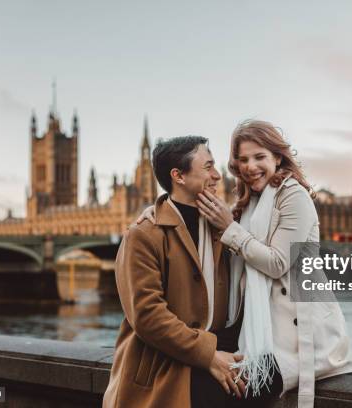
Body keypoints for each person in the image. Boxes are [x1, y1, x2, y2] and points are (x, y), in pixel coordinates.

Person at [195, 120, 352, 408]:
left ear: (277, 157)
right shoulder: (248, 203)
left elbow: (278, 263)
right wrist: (154, 214)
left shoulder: (293, 196)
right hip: (254, 330)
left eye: (259, 157)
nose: (250, 166)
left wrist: (229, 228)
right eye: (243, 159)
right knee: (189, 366)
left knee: (222, 391)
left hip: (293, 340)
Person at [103, 136, 246, 408]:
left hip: (218, 353)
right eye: (208, 167)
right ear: (178, 176)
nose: (217, 175)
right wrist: (208, 356)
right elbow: (147, 315)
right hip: (162, 368)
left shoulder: (223, 226)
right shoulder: (143, 234)